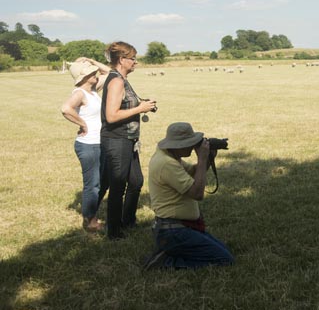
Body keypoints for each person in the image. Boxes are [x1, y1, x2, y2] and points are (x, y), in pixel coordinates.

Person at [143, 122, 234, 270]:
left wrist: (208, 160)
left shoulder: (168, 154)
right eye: (190, 143)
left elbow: (192, 172)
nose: (193, 146)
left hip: (178, 227)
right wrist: (203, 159)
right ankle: (165, 262)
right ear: (179, 145)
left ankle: (171, 252)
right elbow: (197, 193)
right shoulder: (166, 163)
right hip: (174, 231)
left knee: (223, 249)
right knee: (224, 259)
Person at [101, 41, 157, 239]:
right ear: (122, 60)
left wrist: (142, 104)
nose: (136, 62)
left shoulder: (121, 78)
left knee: (136, 182)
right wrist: (139, 109)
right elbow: (111, 116)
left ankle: (128, 222)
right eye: (133, 58)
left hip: (128, 139)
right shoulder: (116, 81)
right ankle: (114, 232)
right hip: (117, 140)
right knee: (118, 186)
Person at [61, 57, 110, 232]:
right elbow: (66, 109)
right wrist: (82, 124)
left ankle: (91, 214)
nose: (95, 73)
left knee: (101, 182)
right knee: (93, 184)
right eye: (91, 72)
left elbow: (109, 73)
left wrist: (92, 60)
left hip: (99, 143)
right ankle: (90, 222)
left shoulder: (93, 90)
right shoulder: (79, 93)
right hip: (88, 145)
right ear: (82, 77)